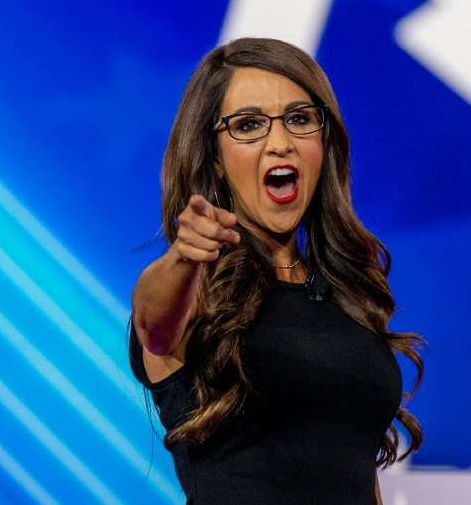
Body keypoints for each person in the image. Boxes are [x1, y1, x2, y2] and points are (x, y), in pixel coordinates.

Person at [129, 37, 423, 504]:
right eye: (248, 125)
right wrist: (184, 256)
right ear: (215, 160)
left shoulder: (345, 292)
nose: (280, 143)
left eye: (300, 119)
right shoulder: (195, 289)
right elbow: (154, 327)